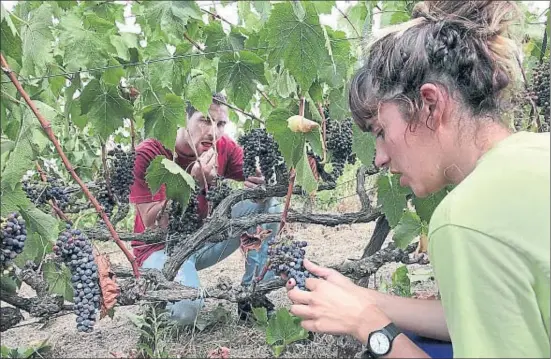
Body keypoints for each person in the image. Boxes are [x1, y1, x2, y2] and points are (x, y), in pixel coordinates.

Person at [285, 1, 550, 358]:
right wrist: (361, 298)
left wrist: (370, 328)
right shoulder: (537, 151)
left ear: (430, 105)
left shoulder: (464, 220)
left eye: (380, 131)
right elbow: (480, 315)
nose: (378, 157)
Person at [129, 93, 281, 325]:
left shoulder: (222, 147)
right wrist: (193, 184)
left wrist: (262, 177)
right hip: (161, 250)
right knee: (185, 313)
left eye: (220, 124)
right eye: (205, 120)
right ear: (183, 117)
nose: (213, 131)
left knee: (268, 202)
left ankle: (253, 296)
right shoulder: (149, 153)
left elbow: (259, 175)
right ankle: (157, 300)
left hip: (205, 241)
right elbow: (152, 224)